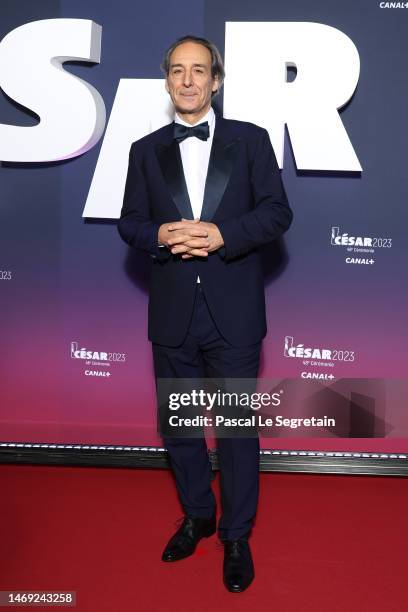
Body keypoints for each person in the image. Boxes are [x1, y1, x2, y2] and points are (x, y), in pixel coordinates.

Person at [118, 34, 293, 593]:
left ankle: (236, 535)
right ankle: (198, 515)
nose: (188, 80)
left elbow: (276, 214)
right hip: (172, 312)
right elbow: (129, 223)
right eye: (177, 70)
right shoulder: (144, 150)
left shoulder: (251, 141)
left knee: (237, 434)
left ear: (215, 81)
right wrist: (159, 235)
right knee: (182, 428)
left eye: (199, 70)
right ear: (167, 81)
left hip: (234, 312)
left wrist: (221, 235)